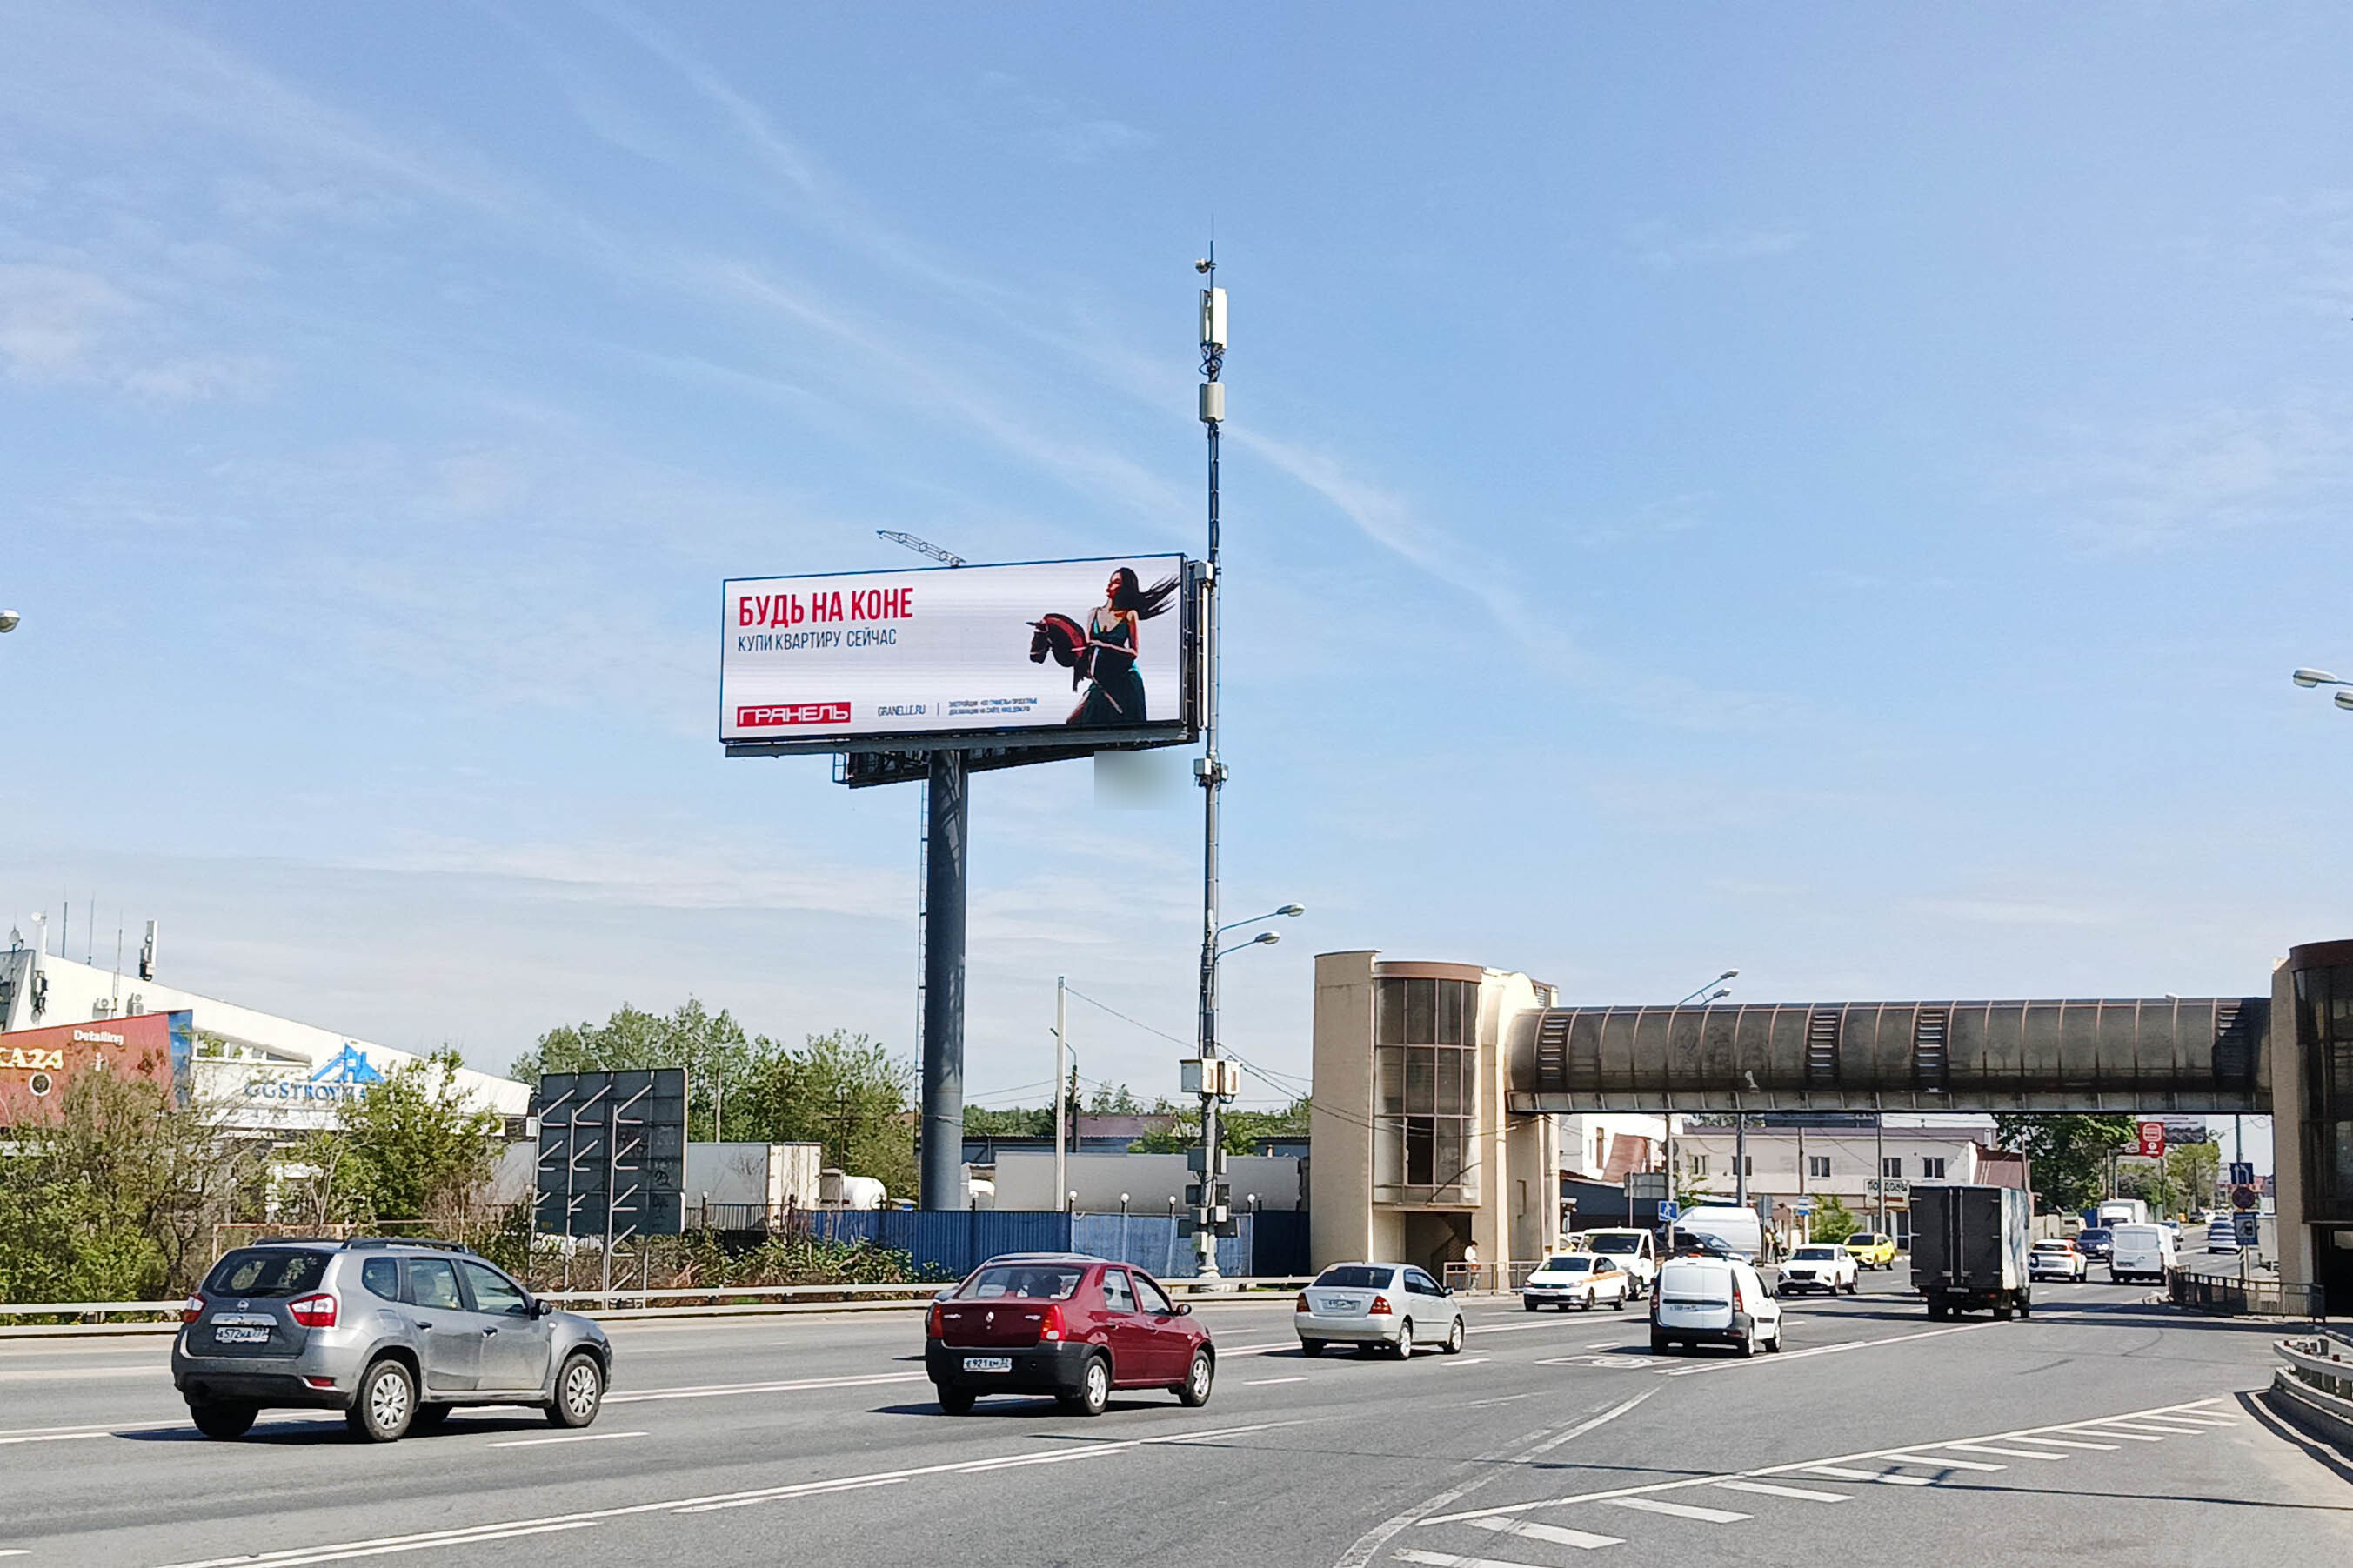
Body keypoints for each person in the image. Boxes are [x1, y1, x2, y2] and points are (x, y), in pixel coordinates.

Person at [1068, 567, 1178, 726]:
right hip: (1102, 680)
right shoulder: (1093, 613)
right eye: (1110, 581)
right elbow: (1088, 650)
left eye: (1116, 582)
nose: (1110, 585)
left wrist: (1103, 645)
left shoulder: (1129, 615)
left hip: (1125, 680)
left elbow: (1134, 652)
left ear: (1124, 588)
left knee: (1127, 729)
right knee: (1073, 721)